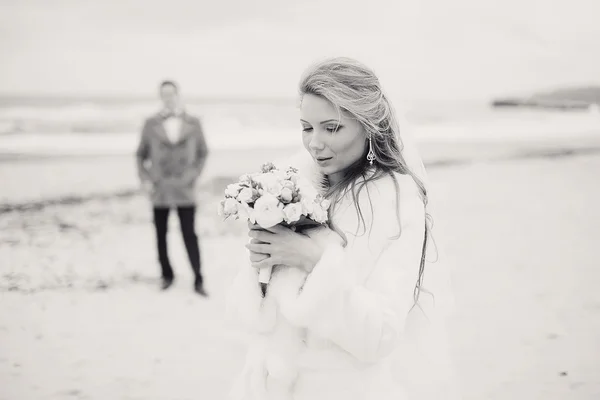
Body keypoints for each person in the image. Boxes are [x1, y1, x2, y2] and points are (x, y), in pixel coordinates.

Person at [225, 58, 459, 399]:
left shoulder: (395, 201)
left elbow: (379, 337)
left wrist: (315, 263)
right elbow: (246, 315)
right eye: (307, 127)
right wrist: (259, 268)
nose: (315, 143)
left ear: (368, 125)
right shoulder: (290, 182)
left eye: (331, 128)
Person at [136, 80, 209, 296]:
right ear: (160, 97)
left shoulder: (194, 122)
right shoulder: (150, 123)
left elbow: (203, 152)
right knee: (161, 234)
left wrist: (194, 175)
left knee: (190, 234)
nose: (168, 98)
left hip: (185, 187)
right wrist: (147, 180)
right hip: (159, 188)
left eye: (171, 94)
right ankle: (167, 276)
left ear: (178, 95)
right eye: (164, 95)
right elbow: (140, 155)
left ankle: (198, 279)